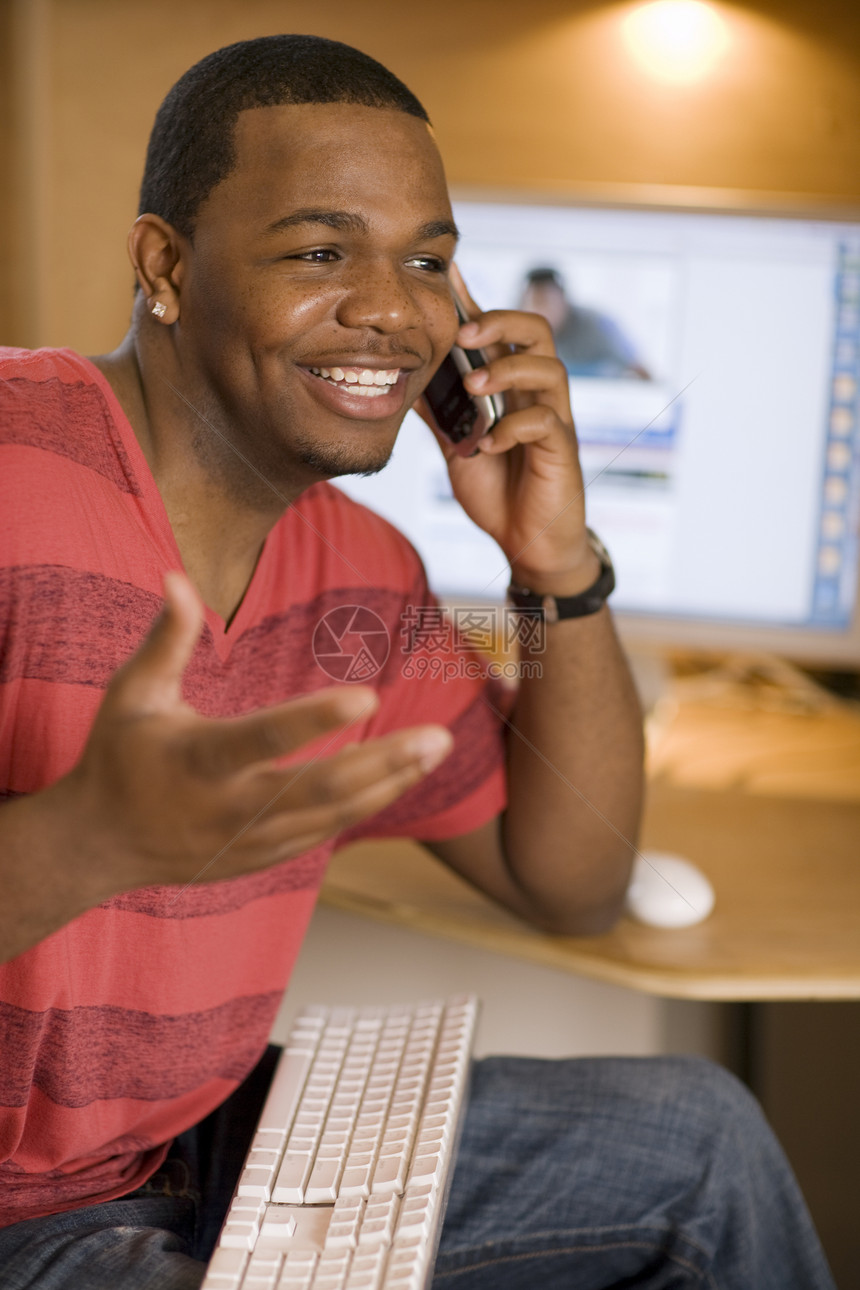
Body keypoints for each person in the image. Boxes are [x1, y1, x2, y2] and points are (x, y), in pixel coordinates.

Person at [0, 34, 835, 1290]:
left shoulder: (360, 577)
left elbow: (572, 880)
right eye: (321, 252)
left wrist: (552, 565)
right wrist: (89, 842)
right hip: (21, 1218)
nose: (394, 310)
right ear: (164, 266)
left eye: (430, 261)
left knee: (696, 1140)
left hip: (182, 1148)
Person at [519, 265, 652, 380]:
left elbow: (639, 369)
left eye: (546, 302)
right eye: (532, 303)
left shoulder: (597, 325)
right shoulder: (518, 332)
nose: (540, 311)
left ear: (563, 301)